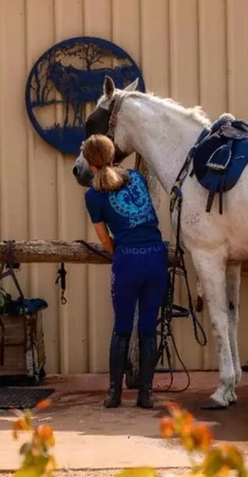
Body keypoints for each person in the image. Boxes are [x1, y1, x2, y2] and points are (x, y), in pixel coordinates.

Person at [81, 134, 168, 409]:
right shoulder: (135, 178)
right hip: (156, 257)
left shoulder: (94, 195)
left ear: (90, 163)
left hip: (128, 260)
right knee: (147, 328)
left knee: (121, 328)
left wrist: (118, 250)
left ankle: (114, 393)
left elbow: (105, 239)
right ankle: (146, 393)